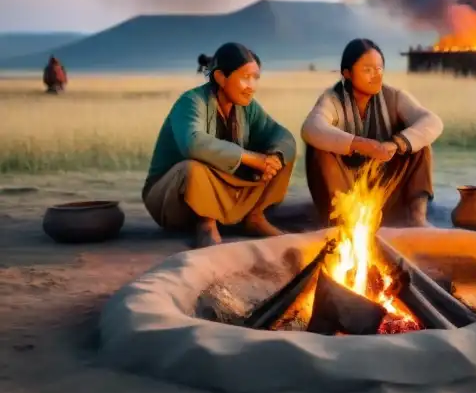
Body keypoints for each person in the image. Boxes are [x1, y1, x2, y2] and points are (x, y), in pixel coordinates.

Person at [142, 42, 297, 248]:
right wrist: (253, 159)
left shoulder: (248, 107)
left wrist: (273, 158)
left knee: (284, 155)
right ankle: (206, 223)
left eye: (255, 78)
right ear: (221, 78)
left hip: (222, 189)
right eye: (245, 77)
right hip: (170, 199)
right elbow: (193, 144)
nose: (252, 86)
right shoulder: (191, 101)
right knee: (192, 169)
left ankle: (254, 217)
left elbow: (281, 135)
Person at [302, 38, 444, 228]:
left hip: (384, 186)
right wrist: (360, 145)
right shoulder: (332, 99)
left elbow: (433, 122)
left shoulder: (394, 97)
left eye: (379, 69)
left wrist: (396, 143)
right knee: (318, 149)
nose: (376, 76)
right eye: (367, 70)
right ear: (347, 74)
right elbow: (312, 127)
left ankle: (417, 216)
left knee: (419, 145)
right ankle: (342, 221)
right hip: (345, 189)